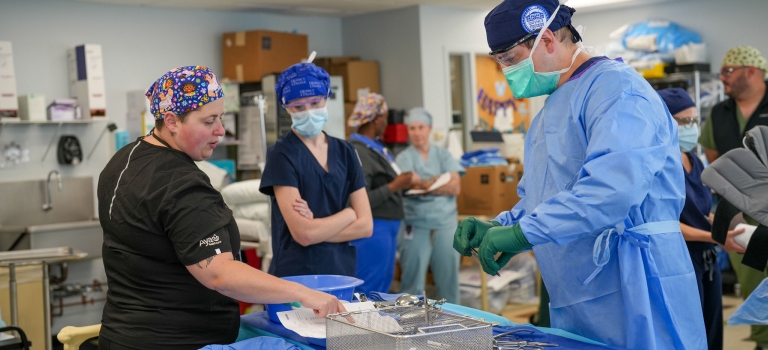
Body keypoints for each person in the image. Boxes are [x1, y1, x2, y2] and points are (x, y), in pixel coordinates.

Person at [453, 1, 706, 348]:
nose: (507, 72)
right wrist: (504, 225)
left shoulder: (619, 92)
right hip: (579, 290)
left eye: (510, 60)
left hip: (636, 279)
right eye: (500, 62)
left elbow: (611, 191)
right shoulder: (553, 107)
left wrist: (523, 233)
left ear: (546, 40)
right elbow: (548, 194)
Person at [97, 66, 346, 350]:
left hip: (119, 336)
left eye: (221, 117)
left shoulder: (123, 159)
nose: (220, 130)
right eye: (209, 121)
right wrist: (302, 293)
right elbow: (220, 273)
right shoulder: (181, 184)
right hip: (178, 341)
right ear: (172, 120)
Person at [259, 62, 373, 278]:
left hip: (340, 273)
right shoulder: (281, 155)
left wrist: (316, 229)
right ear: (286, 108)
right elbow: (303, 234)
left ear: (327, 98)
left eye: (315, 102)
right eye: (298, 107)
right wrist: (349, 214)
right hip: (296, 275)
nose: (309, 112)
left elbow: (366, 226)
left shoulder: (346, 151)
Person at [659, 87, 748, 350]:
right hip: (681, 260)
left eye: (695, 120)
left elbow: (698, 211)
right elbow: (666, 223)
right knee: (690, 334)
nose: (692, 127)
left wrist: (723, 225)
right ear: (665, 122)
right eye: (685, 121)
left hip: (707, 259)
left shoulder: (694, 161)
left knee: (712, 331)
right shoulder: (661, 165)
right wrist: (716, 236)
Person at [698, 45, 768, 350]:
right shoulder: (719, 112)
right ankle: (763, 341)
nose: (722, 78)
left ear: (751, 71)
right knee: (753, 279)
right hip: (740, 212)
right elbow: (713, 155)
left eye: (728, 71)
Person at [395, 108, 464, 303]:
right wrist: (440, 180)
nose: (417, 132)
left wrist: (424, 185)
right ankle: (409, 320)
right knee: (412, 284)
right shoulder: (403, 158)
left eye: (421, 127)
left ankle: (452, 321)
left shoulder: (443, 155)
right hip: (415, 226)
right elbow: (408, 185)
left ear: (430, 129)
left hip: (445, 225)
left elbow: (455, 187)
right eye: (412, 128)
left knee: (449, 283)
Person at [347, 93, 410, 294]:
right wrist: (395, 185)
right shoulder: (360, 151)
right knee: (368, 286)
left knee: (382, 284)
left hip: (387, 228)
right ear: (375, 119)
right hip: (373, 229)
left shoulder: (377, 148)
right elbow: (360, 199)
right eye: (385, 117)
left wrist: (409, 186)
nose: (386, 122)